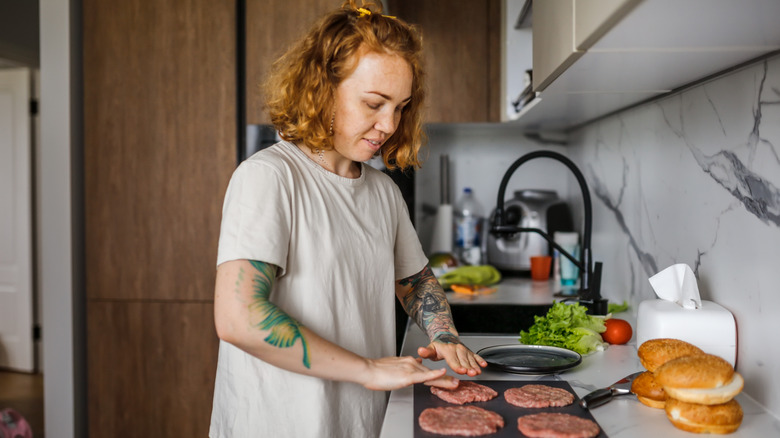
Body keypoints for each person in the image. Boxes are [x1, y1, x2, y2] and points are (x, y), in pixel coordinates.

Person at [209, 1, 487, 436]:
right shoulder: (269, 178)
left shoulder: (383, 193)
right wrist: (369, 369)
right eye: (374, 103)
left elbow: (415, 282)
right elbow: (238, 317)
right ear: (321, 89)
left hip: (362, 423)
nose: (389, 124)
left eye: (400, 107)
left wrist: (445, 333)